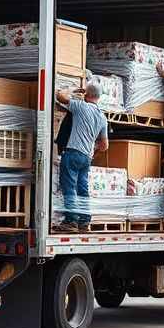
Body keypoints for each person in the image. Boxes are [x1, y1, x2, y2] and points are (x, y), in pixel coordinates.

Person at [55, 83, 109, 233]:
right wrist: (92, 152)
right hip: (86, 157)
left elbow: (60, 96)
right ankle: (84, 222)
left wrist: (73, 90)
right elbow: (104, 145)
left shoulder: (81, 107)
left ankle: (71, 221)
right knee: (82, 189)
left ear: (86, 94)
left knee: (69, 187)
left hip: (73, 152)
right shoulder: (102, 117)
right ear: (99, 97)